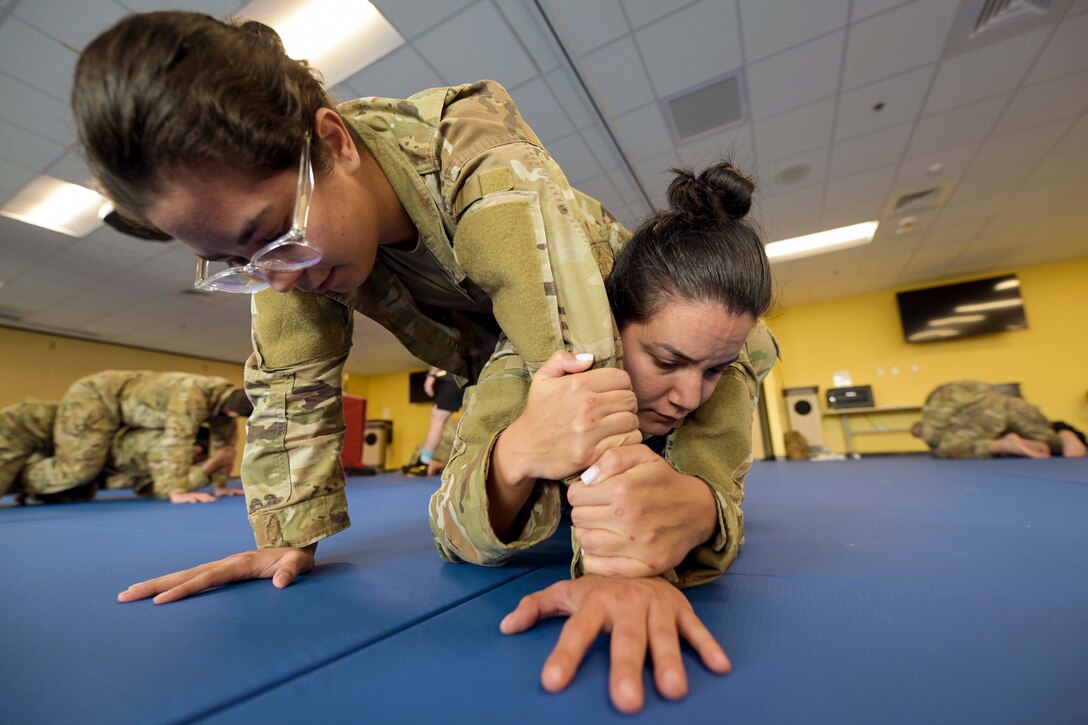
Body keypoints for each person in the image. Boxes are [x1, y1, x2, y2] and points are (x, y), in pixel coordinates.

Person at [73, 12, 774, 711]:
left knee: (683, 390)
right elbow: (288, 371)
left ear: (334, 140)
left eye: (265, 237)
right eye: (237, 263)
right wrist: (286, 533)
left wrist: (631, 559)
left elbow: (577, 355)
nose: (273, 274)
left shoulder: (484, 169)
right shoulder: (294, 250)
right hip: (501, 358)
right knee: (504, 445)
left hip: (597, 321)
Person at [430, 162, 775, 712]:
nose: (690, 395)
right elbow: (450, 532)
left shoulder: (736, 359)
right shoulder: (528, 363)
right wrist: (516, 455)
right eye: (666, 361)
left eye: (712, 370)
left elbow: (721, 493)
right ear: (614, 327)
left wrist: (702, 512)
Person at [17, 371, 252, 501]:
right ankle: (18, 478)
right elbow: (177, 440)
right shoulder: (193, 394)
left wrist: (221, 486)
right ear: (232, 411)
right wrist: (178, 490)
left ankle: (40, 483)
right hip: (96, 397)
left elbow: (225, 447)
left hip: (120, 416)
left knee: (86, 476)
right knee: (78, 467)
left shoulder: (226, 408)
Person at [1, 399, 240, 504]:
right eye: (202, 458)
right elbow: (172, 488)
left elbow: (152, 488)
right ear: (196, 450)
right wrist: (214, 463)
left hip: (71, 460)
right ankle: (19, 479)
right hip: (35, 431)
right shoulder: (158, 444)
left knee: (71, 492)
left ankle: (23, 480)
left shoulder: (166, 453)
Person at [911, 381, 1087, 459]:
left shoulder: (936, 417)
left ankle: (1003, 445)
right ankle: (1066, 434)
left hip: (991, 417)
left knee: (942, 450)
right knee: (1049, 439)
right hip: (1013, 406)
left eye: (918, 431)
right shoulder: (965, 394)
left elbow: (935, 440)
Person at [402, 368, 464, 477]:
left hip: (460, 373)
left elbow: (447, 351)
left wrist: (431, 375)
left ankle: (424, 463)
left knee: (437, 417)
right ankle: (425, 463)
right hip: (486, 371)